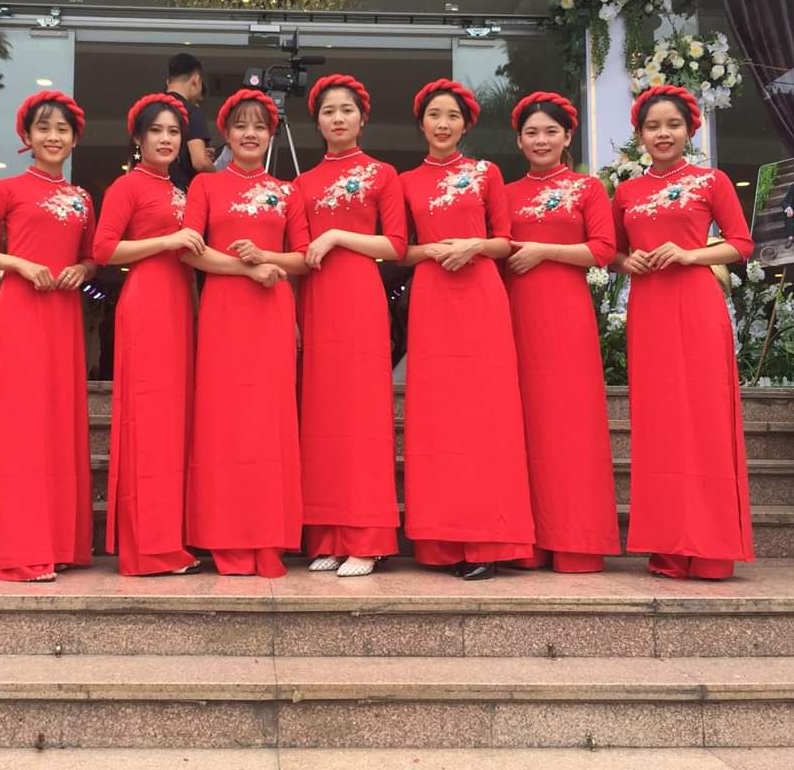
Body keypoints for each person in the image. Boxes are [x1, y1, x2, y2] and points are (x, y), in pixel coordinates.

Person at [611, 85, 754, 580]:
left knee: (706, 417)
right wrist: (627, 262)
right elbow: (610, 251)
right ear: (640, 135)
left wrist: (691, 254)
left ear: (690, 130)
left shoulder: (711, 181)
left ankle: (711, 548)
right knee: (658, 423)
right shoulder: (626, 192)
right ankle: (668, 546)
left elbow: (741, 244)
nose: (663, 133)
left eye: (673, 125)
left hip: (696, 304)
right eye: (653, 126)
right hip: (648, 308)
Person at [398, 79, 535, 581]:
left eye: (452, 116)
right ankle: (442, 541)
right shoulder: (405, 181)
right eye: (434, 115)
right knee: (437, 419)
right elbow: (397, 248)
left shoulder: (486, 173)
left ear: (465, 124)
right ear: (421, 124)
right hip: (432, 297)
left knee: (486, 417)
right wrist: (432, 251)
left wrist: (473, 246)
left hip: (480, 296)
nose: (443, 124)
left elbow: (505, 241)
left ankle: (487, 540)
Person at [0, 90, 96, 582]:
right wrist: (17, 264)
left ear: (74, 139)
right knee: (22, 426)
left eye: (62, 129)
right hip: (21, 313)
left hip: (63, 314)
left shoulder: (82, 199)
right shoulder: (7, 190)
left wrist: (82, 269)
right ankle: (21, 550)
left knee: (60, 422)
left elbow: (93, 256)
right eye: (43, 128)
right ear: (27, 136)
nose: (53, 137)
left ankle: (59, 543)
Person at [181, 88, 309, 577]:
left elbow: (304, 258)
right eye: (240, 125)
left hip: (272, 312)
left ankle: (268, 538)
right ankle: (225, 538)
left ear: (271, 133)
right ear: (226, 134)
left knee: (269, 423)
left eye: (259, 126)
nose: (250, 134)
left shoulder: (288, 191)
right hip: (224, 313)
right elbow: (189, 251)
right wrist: (247, 268)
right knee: (224, 421)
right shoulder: (205, 186)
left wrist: (266, 259)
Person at [504, 91, 620, 573]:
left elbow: (604, 249)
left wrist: (544, 251)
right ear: (518, 140)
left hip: (566, 317)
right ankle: (525, 541)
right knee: (523, 425)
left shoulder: (587, 189)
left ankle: (576, 540)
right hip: (515, 315)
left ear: (567, 136)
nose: (541, 140)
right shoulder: (504, 192)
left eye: (550, 131)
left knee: (570, 424)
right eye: (531, 132)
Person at [295, 74, 405, 578]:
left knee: (362, 416)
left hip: (360, 297)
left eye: (346, 110)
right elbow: (299, 251)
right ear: (317, 123)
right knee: (323, 418)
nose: (338, 118)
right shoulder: (303, 183)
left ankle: (367, 538)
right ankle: (329, 537)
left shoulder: (383, 174)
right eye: (328, 111)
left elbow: (396, 245)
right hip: (317, 300)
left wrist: (338, 234)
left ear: (362, 118)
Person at [92, 93, 204, 576]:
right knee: (149, 424)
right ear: (138, 138)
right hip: (147, 304)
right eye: (156, 130)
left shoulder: (182, 191)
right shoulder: (127, 186)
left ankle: (170, 540)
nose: (165, 139)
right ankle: (147, 550)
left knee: (174, 425)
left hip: (180, 305)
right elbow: (103, 249)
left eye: (174, 132)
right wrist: (166, 241)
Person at [165, 52, 215, 191]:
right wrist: (220, 179)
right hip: (178, 193)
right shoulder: (190, 111)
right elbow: (200, 162)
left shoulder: (150, 109)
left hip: (147, 188)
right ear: (196, 80)